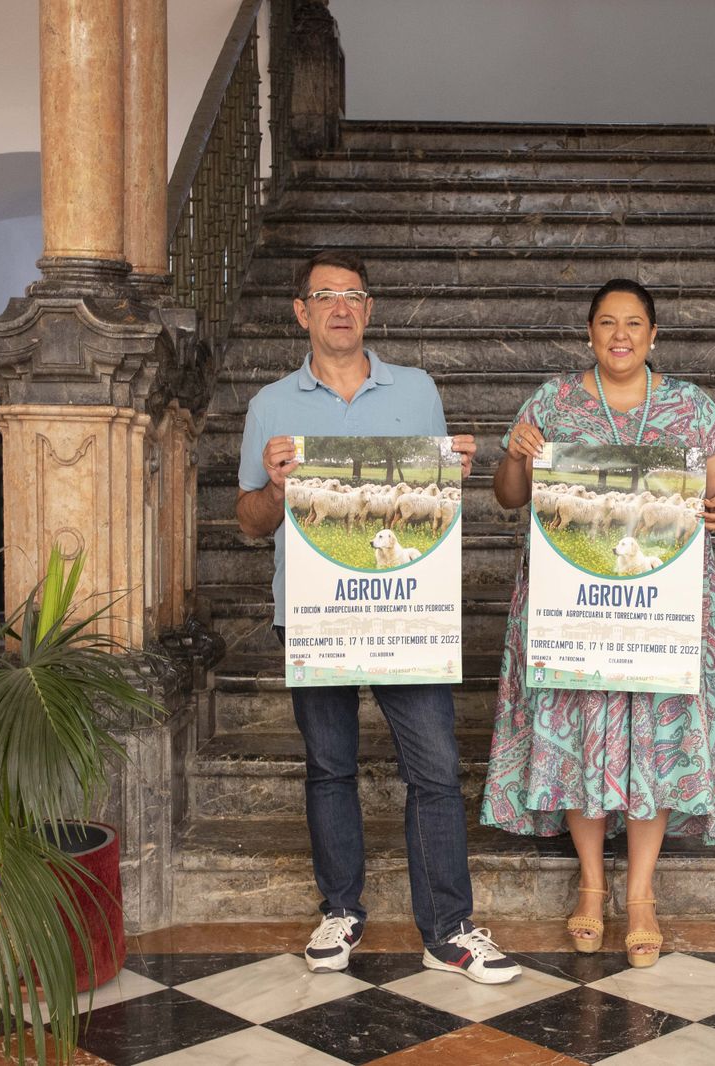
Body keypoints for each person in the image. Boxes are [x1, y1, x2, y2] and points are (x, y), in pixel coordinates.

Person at [235, 249, 520, 984]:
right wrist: (272, 486)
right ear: (301, 311)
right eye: (324, 296)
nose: (340, 308)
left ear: (369, 309)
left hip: (403, 608)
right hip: (313, 611)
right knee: (329, 765)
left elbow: (429, 503)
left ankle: (448, 929)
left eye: (353, 296)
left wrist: (448, 475)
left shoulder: (418, 390)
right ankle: (340, 909)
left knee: (433, 765)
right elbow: (249, 521)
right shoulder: (271, 405)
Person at [480, 278, 715, 967]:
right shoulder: (552, 403)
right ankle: (593, 887)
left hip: (662, 603)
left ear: (654, 335)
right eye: (606, 323)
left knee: (654, 736)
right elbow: (510, 498)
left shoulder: (691, 408)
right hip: (575, 606)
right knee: (580, 729)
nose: (620, 334)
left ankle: (645, 895)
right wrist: (514, 452)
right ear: (589, 334)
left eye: (633, 323)